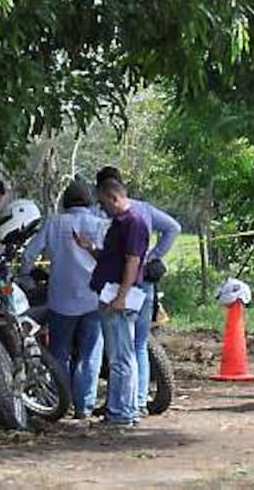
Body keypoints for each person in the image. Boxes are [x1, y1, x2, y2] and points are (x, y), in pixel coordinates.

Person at [94, 165, 181, 417]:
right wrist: (154, 256)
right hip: (142, 284)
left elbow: (131, 258)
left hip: (123, 286)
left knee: (121, 349)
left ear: (110, 194)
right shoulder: (144, 209)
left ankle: (123, 407)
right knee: (138, 344)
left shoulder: (123, 217)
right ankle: (138, 401)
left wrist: (147, 258)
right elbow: (173, 227)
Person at [19, 182, 107, 419]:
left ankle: (61, 402)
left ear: (65, 201)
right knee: (90, 354)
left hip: (61, 301)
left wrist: (25, 275)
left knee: (60, 353)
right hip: (94, 299)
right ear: (89, 201)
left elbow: (29, 254)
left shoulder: (53, 223)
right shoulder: (100, 225)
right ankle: (84, 407)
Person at [77, 177, 149, 426]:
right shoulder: (118, 223)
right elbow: (111, 258)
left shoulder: (133, 223)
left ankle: (122, 412)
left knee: (121, 357)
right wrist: (89, 248)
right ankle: (122, 409)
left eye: (103, 202)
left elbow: (132, 261)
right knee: (119, 354)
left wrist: (121, 297)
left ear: (114, 197)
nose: (101, 207)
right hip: (110, 291)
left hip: (118, 296)